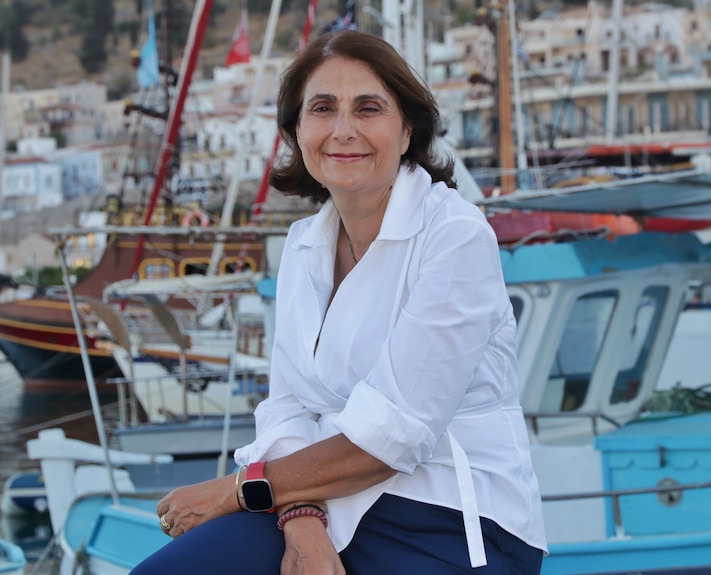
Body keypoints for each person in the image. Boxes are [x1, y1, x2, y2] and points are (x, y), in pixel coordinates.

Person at [131, 30, 547, 575]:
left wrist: (237, 491)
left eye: (368, 108)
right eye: (322, 108)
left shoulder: (456, 236)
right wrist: (301, 521)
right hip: (319, 503)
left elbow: (393, 436)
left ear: (406, 131)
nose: (343, 130)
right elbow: (287, 408)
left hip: (450, 517)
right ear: (297, 131)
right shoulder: (305, 243)